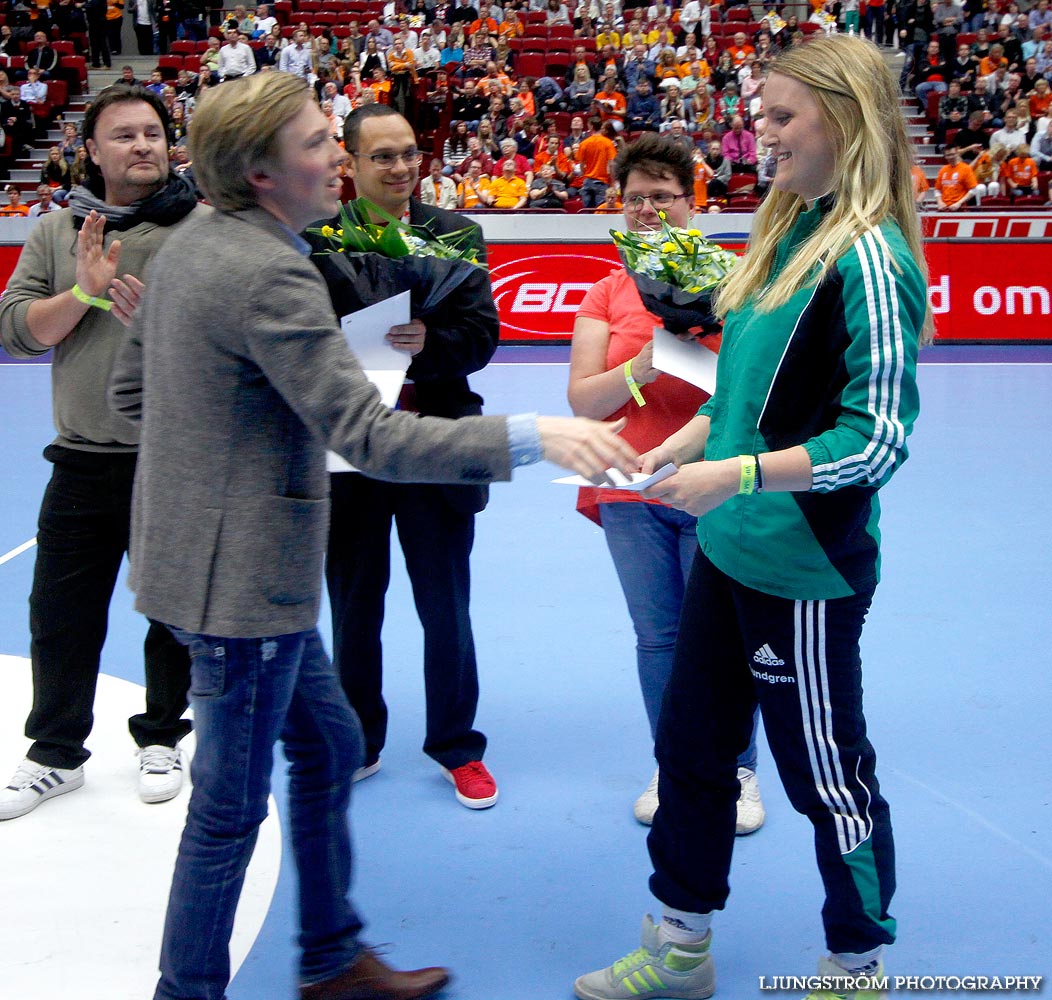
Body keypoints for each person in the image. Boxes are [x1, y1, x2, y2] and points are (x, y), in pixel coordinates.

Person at [107, 72, 638, 1000]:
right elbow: (373, 437)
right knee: (228, 814)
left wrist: (229, 433)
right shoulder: (272, 267)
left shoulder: (191, 243)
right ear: (265, 173)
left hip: (195, 560)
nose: (335, 161)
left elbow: (134, 396)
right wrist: (534, 434)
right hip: (243, 587)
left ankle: (328, 958)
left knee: (324, 747)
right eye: (318, 143)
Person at [574, 35, 928, 1000]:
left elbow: (879, 440)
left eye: (779, 117)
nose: (759, 133)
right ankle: (681, 947)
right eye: (760, 114)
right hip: (727, 558)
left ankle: (857, 967)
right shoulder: (783, 236)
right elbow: (735, 400)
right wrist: (678, 451)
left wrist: (734, 477)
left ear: (844, 122)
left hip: (803, 572)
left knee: (827, 780)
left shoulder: (870, 258)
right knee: (692, 755)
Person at [0, 85, 198, 824]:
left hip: (174, 458)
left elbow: (238, 342)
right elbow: (18, 330)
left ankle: (162, 736)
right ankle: (54, 752)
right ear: (91, 149)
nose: (143, 145)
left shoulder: (203, 228)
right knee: (60, 613)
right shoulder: (58, 232)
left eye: (152, 133)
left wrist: (169, 322)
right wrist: (83, 294)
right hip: (81, 457)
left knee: (172, 611)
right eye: (124, 135)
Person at [567, 132, 766, 830]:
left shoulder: (741, 277)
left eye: (662, 195)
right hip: (630, 487)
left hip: (711, 482)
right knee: (658, 636)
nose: (647, 209)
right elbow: (584, 402)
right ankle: (673, 761)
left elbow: (751, 390)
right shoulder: (605, 291)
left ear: (693, 198)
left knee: (725, 634)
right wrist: (640, 369)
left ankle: (737, 771)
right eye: (634, 198)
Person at [320, 103, 508, 809]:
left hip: (436, 445)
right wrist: (360, 346)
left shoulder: (457, 234)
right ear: (351, 164)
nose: (400, 168)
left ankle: (457, 747)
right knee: (354, 606)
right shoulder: (319, 240)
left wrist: (428, 343)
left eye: (408, 154)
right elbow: (304, 343)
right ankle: (358, 741)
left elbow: (482, 341)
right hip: (353, 450)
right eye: (382, 156)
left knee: (445, 605)